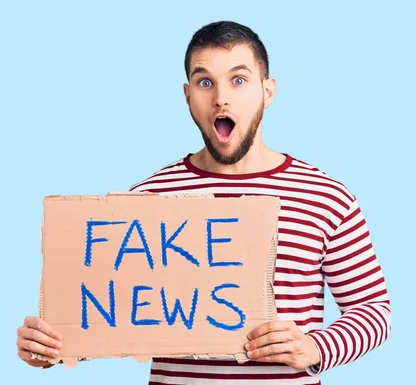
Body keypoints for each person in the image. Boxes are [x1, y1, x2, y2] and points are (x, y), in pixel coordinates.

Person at [16, 20, 392, 384]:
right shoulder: (148, 198)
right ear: (187, 96)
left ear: (268, 91)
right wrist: (49, 348)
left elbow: (374, 312)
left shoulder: (326, 196)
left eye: (239, 80)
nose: (221, 97)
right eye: (205, 82)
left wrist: (315, 347)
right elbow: (113, 318)